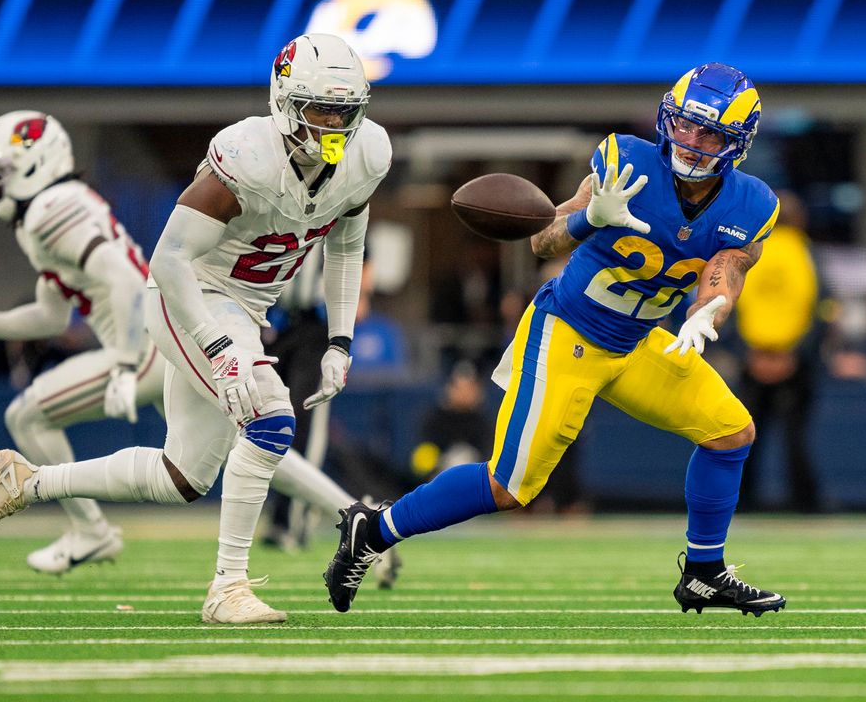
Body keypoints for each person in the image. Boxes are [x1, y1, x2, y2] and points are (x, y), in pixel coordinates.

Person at [0, 33, 393, 624]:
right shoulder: (246, 157)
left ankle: (27, 481)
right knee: (270, 417)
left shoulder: (366, 155)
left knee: (181, 476)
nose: (336, 125)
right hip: (191, 296)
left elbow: (346, 247)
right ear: (286, 103)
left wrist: (340, 339)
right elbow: (168, 261)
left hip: (248, 309)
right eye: (321, 109)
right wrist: (219, 350)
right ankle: (228, 587)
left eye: (346, 111)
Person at [324, 62, 786, 617]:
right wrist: (590, 216)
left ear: (737, 142)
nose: (690, 141)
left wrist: (709, 309)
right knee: (510, 487)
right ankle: (372, 530)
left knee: (730, 433)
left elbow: (727, 268)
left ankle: (705, 572)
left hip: (638, 341)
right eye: (684, 124)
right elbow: (543, 239)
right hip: (568, 332)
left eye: (709, 133)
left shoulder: (752, 204)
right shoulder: (627, 164)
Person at [0, 111, 159, 574]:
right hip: (160, 338)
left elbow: (123, 284)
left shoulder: (49, 210)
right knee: (245, 448)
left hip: (146, 345)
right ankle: (343, 514)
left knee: (26, 415)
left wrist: (126, 365)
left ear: (36, 165)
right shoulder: (58, 208)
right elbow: (51, 316)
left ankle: (92, 530)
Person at [733, 189, 823, 512]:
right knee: (797, 438)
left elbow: (730, 301)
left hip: (754, 357)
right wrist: (795, 354)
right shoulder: (804, 252)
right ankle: (807, 505)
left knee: (742, 437)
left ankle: (739, 503)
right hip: (793, 361)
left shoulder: (748, 250)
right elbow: (818, 306)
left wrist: (748, 352)